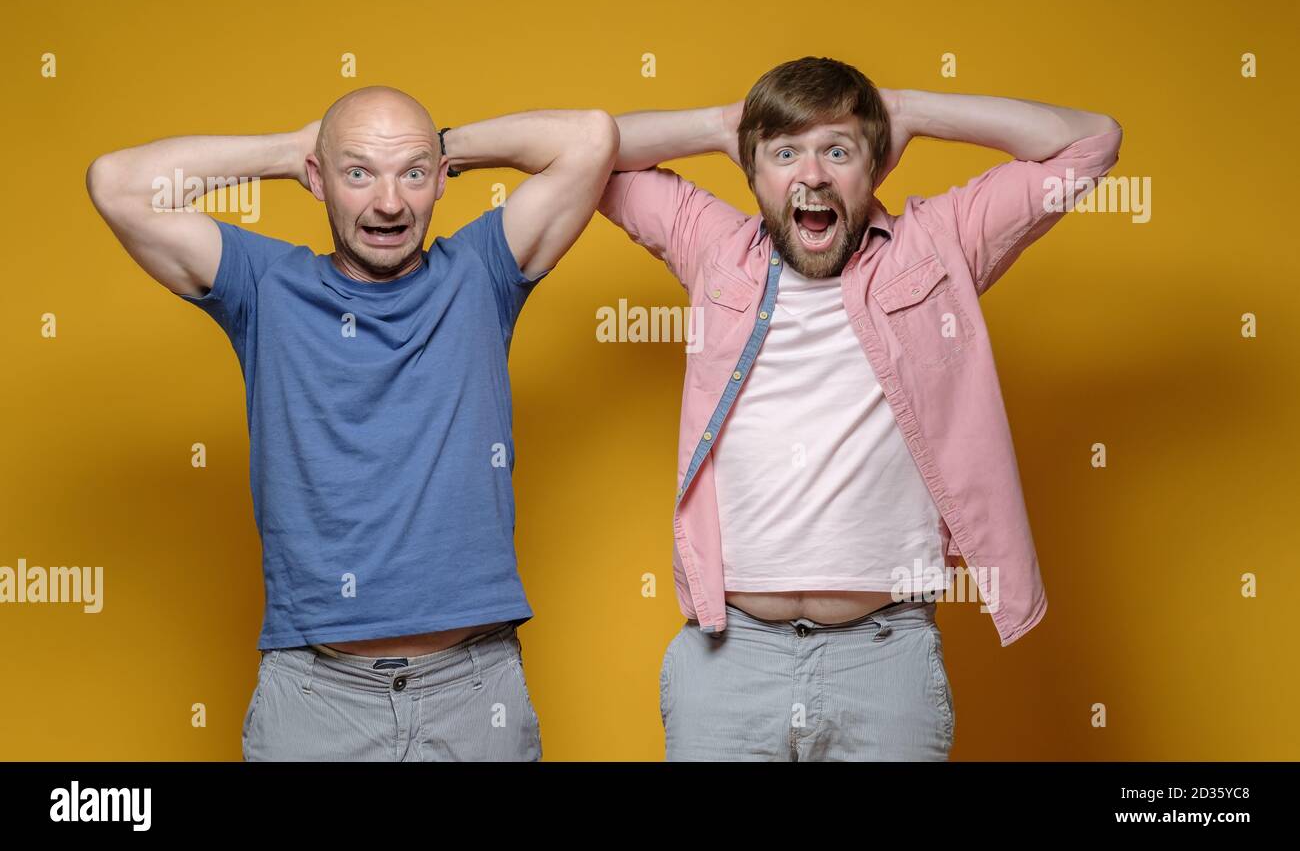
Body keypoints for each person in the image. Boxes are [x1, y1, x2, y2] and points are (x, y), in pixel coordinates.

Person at [598, 56, 1122, 760]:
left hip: (885, 660)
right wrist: (726, 126)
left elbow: (1092, 142)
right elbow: (593, 156)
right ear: (753, 174)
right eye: (784, 153)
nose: (811, 175)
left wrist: (908, 109)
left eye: (837, 151)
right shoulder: (715, 251)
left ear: (874, 166)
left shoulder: (936, 247)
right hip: (728, 661)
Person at [85, 86, 618, 760]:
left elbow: (591, 138)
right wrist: (289, 150)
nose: (389, 203)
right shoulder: (266, 286)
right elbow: (116, 184)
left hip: (474, 690)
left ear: (438, 182)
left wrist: (437, 147)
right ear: (319, 178)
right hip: (315, 702)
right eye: (357, 172)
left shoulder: (482, 272)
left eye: (412, 175)